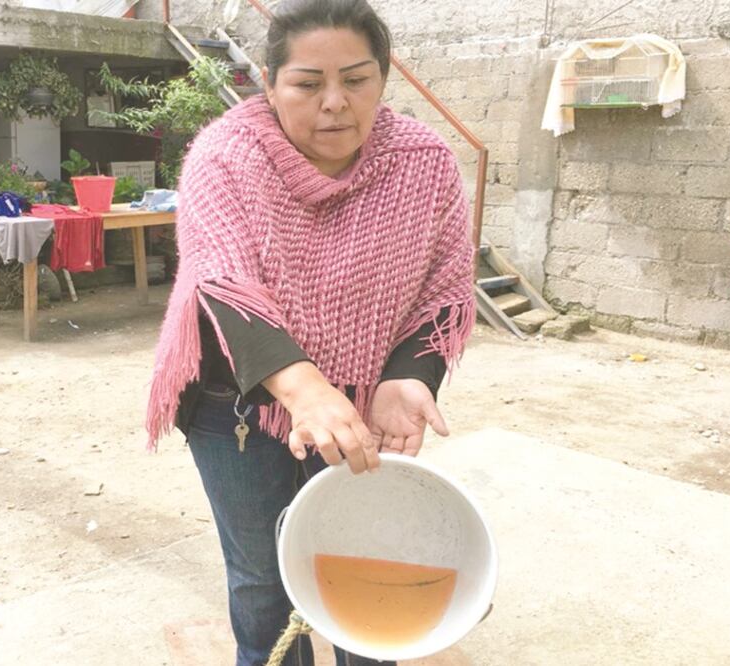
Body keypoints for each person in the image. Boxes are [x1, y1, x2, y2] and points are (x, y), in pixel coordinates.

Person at [145, 0, 476, 663]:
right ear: (268, 86)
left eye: (355, 80)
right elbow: (221, 281)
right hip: (235, 408)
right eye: (306, 83)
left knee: (364, 565)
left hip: (362, 407)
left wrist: (408, 377)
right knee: (264, 583)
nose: (334, 103)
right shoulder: (224, 158)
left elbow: (444, 287)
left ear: (382, 80)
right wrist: (305, 390)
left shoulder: (425, 164)